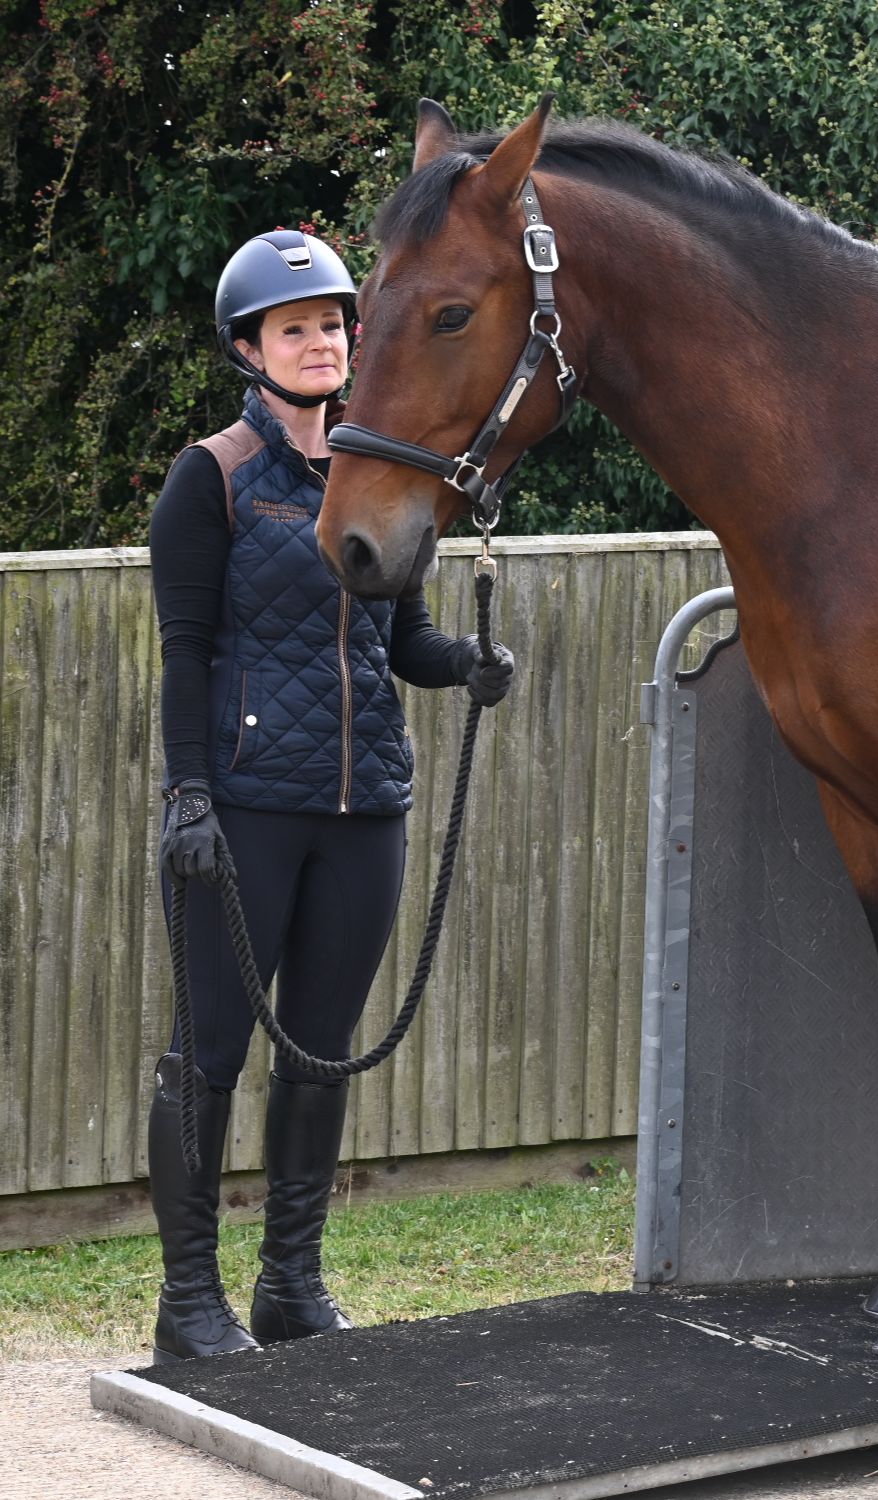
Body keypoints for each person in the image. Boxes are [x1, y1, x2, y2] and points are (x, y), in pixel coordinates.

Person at [145, 230, 515, 1363]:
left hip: (366, 812)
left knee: (319, 1050)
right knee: (210, 1051)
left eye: (333, 324)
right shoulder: (211, 477)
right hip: (243, 810)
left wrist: (465, 663)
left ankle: (291, 1287)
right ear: (248, 348)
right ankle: (189, 1302)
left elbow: (400, 641)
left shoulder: (380, 474)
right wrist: (188, 796)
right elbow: (184, 654)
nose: (322, 342)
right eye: (295, 328)